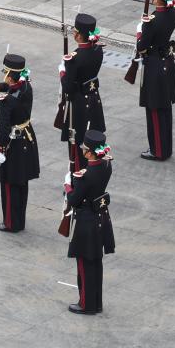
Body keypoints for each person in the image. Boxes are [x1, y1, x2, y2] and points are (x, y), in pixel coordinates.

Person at [0, 53, 40, 232]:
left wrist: (0, 149)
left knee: (10, 185)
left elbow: (3, 131)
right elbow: (8, 86)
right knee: (22, 183)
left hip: (13, 143)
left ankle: (11, 223)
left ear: (10, 75)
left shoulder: (6, 102)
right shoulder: (26, 86)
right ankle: (19, 221)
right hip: (27, 138)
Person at [64, 130, 114, 315]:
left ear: (90, 152)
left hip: (86, 222)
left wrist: (68, 185)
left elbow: (74, 200)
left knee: (84, 265)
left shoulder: (87, 176)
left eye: (85, 149)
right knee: (96, 264)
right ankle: (96, 302)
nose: (82, 151)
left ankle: (86, 304)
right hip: (100, 218)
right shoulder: (106, 166)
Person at [136, 0, 175, 161]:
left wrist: (141, 30)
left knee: (154, 111)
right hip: (167, 64)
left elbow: (141, 46)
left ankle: (158, 150)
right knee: (165, 110)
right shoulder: (173, 13)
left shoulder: (152, 21)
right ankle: (166, 148)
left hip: (154, 67)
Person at [58, 13, 106, 171]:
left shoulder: (75, 58)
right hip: (94, 100)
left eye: (75, 31)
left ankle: (77, 179)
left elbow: (67, 87)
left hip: (78, 105)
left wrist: (63, 71)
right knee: (92, 142)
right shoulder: (98, 50)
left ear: (79, 35)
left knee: (77, 145)